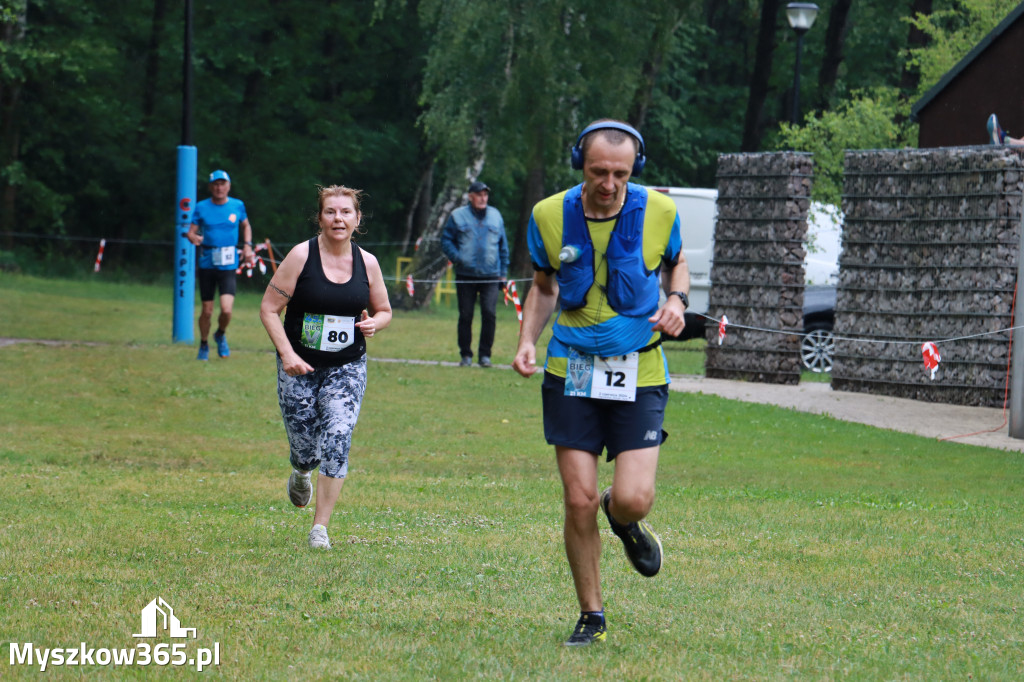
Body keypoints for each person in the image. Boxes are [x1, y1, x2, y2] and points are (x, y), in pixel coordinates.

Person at [512, 120, 690, 647]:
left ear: (635, 168)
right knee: (578, 498)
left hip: (641, 365)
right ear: (579, 164)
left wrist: (677, 302)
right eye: (598, 171)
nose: (609, 182)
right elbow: (543, 287)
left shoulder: (660, 210)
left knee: (633, 499)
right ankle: (592, 615)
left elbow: (676, 263)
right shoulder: (547, 215)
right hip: (571, 366)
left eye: (620, 172)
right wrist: (527, 340)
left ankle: (625, 519)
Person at [259, 185, 392, 549]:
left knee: (338, 434)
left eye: (346, 212)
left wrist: (374, 324)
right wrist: (287, 355)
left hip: (346, 366)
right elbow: (269, 309)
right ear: (320, 217)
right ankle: (301, 470)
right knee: (306, 446)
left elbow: (384, 311)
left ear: (357, 219)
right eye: (331, 212)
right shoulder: (301, 256)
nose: (338, 218)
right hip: (299, 365)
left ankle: (320, 528)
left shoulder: (368, 263)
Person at [186, 169, 255, 360]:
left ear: (228, 186)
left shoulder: (237, 205)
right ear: (210, 187)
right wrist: (194, 237)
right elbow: (191, 232)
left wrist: (248, 246)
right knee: (207, 310)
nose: (219, 187)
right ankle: (204, 344)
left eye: (222, 184)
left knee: (226, 310)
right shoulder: (201, 207)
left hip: (228, 264)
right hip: (208, 262)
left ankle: (221, 334)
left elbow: (246, 225)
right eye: (215, 184)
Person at [441, 180, 509, 368]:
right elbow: (446, 241)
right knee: (466, 315)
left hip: (491, 275)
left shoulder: (496, 216)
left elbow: (503, 247)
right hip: (465, 275)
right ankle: (466, 355)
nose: (483, 198)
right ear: (470, 197)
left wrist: (503, 274)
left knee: (489, 314)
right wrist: (457, 257)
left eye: (485, 194)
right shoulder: (457, 216)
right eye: (479, 194)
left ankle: (485, 355)